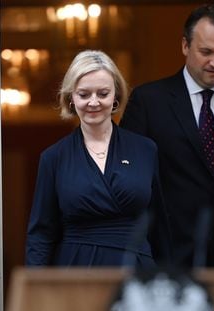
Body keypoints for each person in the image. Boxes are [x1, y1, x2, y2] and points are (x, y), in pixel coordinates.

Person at [120, 4, 214, 268]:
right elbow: (132, 186)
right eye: (206, 52)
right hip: (167, 260)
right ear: (185, 46)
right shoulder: (149, 101)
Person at [25, 50, 171, 268]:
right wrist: (36, 293)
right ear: (71, 98)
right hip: (77, 272)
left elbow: (159, 226)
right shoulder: (53, 157)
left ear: (116, 97)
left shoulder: (145, 150)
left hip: (136, 274)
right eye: (84, 94)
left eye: (102, 93)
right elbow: (41, 234)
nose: (94, 102)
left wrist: (168, 284)